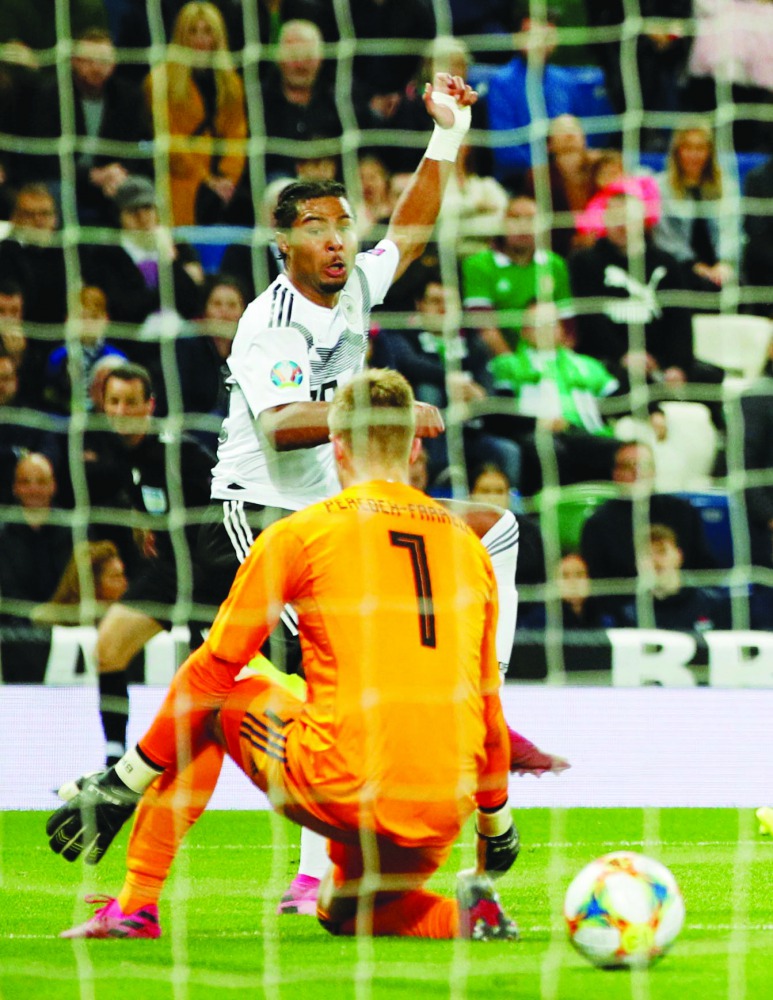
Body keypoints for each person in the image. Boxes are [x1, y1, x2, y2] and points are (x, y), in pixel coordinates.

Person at [47, 75, 565, 920]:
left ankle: (482, 701)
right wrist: (386, 413)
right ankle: (172, 864)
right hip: (254, 518)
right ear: (282, 243)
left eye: (342, 224)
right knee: (302, 688)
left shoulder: (354, 287)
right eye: (316, 227)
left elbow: (411, 232)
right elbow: (285, 425)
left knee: (495, 529)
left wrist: (447, 133)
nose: (335, 239)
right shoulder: (272, 321)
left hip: (336, 522)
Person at [48, 369, 522, 942]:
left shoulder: (301, 533)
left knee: (219, 688)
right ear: (415, 448)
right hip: (441, 805)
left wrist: (126, 780)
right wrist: (496, 824)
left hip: (345, 784)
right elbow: (488, 704)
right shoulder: (470, 548)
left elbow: (212, 672)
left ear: (336, 445)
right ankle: (470, 916)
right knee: (344, 911)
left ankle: (136, 904)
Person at [79, 363, 214, 766]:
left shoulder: (181, 453)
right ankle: (113, 759)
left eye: (130, 402)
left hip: (209, 575)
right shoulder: (116, 451)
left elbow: (225, 503)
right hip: (169, 573)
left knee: (213, 685)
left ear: (149, 405)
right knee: (107, 649)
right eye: (114, 402)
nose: (121, 411)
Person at [381, 275, 522, 488]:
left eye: (450, 302)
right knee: (429, 391)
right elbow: (409, 364)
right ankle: (440, 476)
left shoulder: (472, 342)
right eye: (435, 301)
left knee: (508, 451)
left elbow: (487, 389)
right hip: (421, 438)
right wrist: (449, 380)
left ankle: (512, 504)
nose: (443, 309)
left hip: (468, 432)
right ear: (419, 305)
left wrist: (477, 394)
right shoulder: (404, 335)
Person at [488, 298, 621, 494]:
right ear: (524, 330)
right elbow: (500, 413)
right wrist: (539, 423)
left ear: (561, 329)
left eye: (551, 323)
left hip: (579, 430)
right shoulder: (507, 365)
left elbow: (621, 398)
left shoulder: (586, 365)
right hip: (534, 432)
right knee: (548, 448)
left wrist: (654, 412)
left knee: (617, 448)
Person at [28, 27, 153, 225]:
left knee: (140, 188)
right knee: (58, 191)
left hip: (111, 179)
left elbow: (137, 145)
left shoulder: (129, 97)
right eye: (88, 60)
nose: (96, 68)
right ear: (73, 61)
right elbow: (43, 156)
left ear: (113, 63)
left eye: (103, 61)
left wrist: (119, 172)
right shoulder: (50, 95)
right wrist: (90, 175)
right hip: (65, 178)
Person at [580, 440, 717, 617]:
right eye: (628, 466)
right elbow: (598, 586)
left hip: (685, 608)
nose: (636, 473)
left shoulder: (682, 511)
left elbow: (704, 567)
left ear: (654, 471)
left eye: (642, 466)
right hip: (627, 615)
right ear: (616, 473)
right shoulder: (598, 524)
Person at [142, 1, 247, 225]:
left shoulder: (232, 83)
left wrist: (228, 177)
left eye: (207, 31)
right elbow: (170, 139)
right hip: (180, 179)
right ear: (181, 35)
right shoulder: (160, 81)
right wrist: (206, 179)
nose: (200, 39)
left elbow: (237, 135)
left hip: (225, 185)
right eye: (193, 31)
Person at [461, 194, 573, 357]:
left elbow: (568, 327)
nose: (523, 225)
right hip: (496, 359)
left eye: (531, 219)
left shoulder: (555, 264)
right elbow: (483, 327)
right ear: (502, 223)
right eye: (515, 218)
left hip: (548, 356)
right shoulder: (477, 264)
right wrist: (514, 365)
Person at [651, 124, 740, 290]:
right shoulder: (659, 186)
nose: (694, 155)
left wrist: (725, 263)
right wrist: (694, 265)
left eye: (700, 148)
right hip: (680, 267)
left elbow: (731, 230)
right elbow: (665, 238)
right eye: (688, 148)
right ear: (677, 151)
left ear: (710, 152)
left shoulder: (727, 186)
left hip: (721, 269)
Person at [614, 523, 732, 632]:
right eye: (647, 555)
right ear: (637, 564)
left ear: (678, 556)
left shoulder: (714, 604)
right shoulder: (630, 615)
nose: (655, 561)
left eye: (661, 551)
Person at [0, 452, 73, 620]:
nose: (33, 490)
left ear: (53, 486)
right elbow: (9, 592)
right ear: (15, 488)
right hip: (13, 626)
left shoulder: (73, 530)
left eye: (41, 482)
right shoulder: (2, 533)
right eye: (25, 482)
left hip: (65, 623)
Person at [31, 539, 128, 626]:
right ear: (92, 583)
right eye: (116, 577)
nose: (124, 583)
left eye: (122, 575)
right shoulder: (50, 619)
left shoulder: (123, 619)